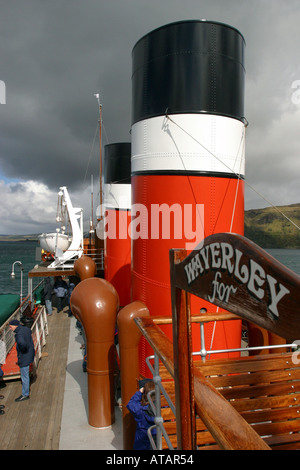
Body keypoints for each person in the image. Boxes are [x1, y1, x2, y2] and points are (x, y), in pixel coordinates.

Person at [9, 319, 35, 402]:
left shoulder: (19, 334)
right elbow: (29, 333)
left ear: (15, 326)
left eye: (11, 327)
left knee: (24, 376)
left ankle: (25, 394)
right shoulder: (25, 329)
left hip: (24, 357)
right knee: (26, 374)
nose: (10, 329)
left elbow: (22, 344)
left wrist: (22, 351)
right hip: (30, 353)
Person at [126, 379, 156, 450]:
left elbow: (131, 404)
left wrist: (139, 392)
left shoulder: (140, 410)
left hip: (142, 442)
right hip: (157, 439)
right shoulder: (163, 409)